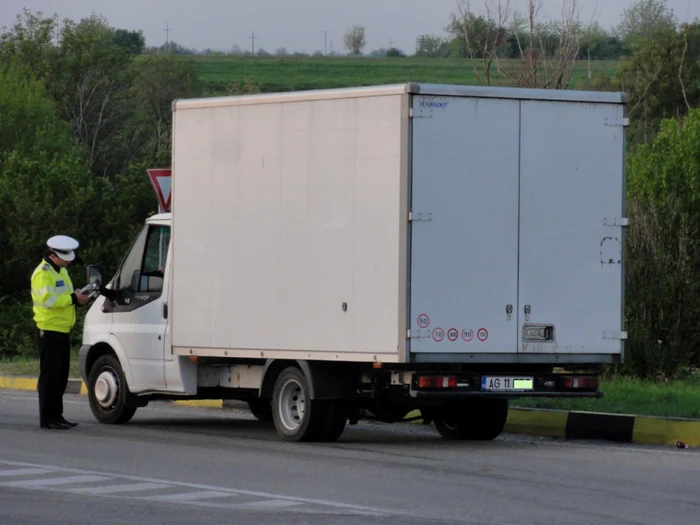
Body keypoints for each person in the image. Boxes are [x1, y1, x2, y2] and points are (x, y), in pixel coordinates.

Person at [30, 235, 89, 430]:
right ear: (54, 256)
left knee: (60, 376)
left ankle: (57, 415)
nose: (68, 262)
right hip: (49, 330)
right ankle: (48, 419)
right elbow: (48, 301)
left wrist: (77, 298)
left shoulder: (60, 271)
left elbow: (64, 296)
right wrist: (73, 298)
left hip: (62, 329)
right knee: (50, 376)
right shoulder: (43, 274)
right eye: (66, 258)